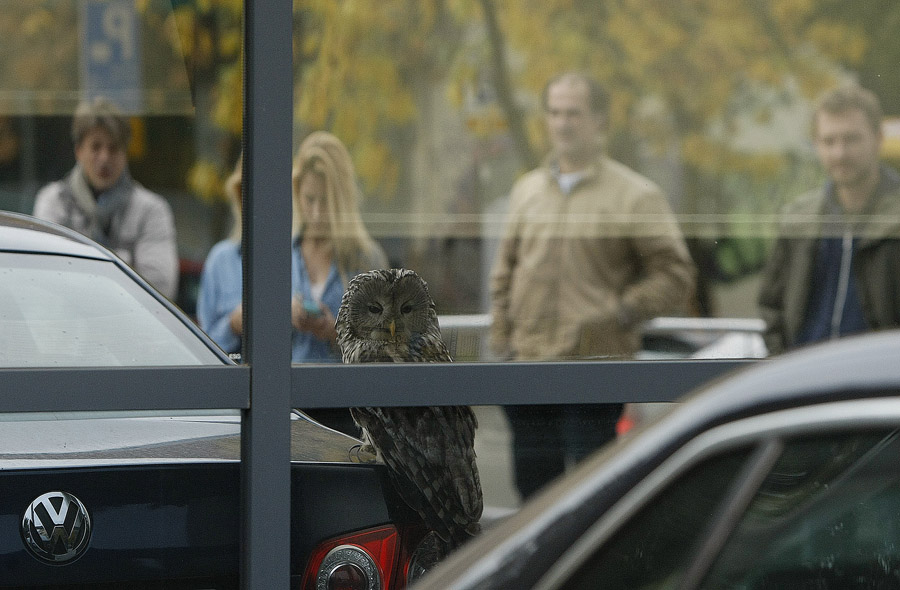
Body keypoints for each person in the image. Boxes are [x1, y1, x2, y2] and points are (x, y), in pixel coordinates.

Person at [490, 72, 696, 500]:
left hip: (594, 371)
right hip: (527, 368)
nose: (563, 123)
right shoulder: (527, 191)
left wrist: (621, 312)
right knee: (532, 496)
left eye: (574, 114)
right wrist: (502, 341)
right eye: (555, 112)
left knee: (590, 498)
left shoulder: (635, 195)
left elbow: (676, 274)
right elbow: (504, 272)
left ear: (600, 121)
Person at [197, 132, 387, 433]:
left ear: (343, 200)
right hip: (285, 407)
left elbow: (386, 352)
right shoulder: (277, 251)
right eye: (309, 199)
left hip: (350, 410)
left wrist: (335, 332)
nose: (317, 213)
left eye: (327, 202)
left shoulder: (366, 260)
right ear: (297, 194)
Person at [758, 84, 900, 355]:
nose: (840, 154)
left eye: (852, 139)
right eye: (829, 141)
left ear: (878, 138)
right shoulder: (798, 217)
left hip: (880, 381)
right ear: (816, 145)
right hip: (805, 378)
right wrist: (781, 362)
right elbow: (771, 306)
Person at [33, 97, 178, 299]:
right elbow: (43, 278)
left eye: (113, 148)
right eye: (96, 147)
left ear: (125, 153)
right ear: (79, 151)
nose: (104, 158)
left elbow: (160, 288)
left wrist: (77, 265)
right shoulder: (52, 201)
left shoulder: (152, 209)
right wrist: (127, 262)